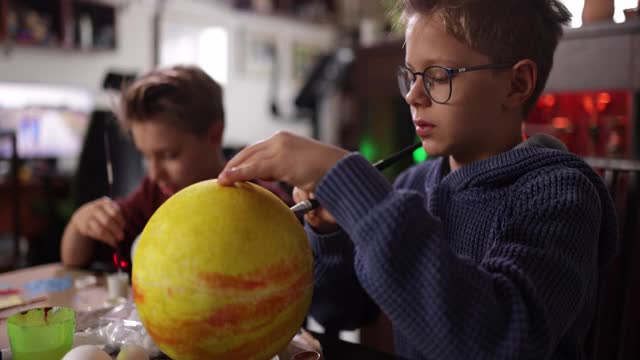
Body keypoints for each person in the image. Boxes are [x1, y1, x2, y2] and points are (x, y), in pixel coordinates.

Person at [217, 1, 617, 359]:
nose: (413, 96)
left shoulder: (559, 194)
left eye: (439, 75)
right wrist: (330, 234)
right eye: (410, 75)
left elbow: (501, 340)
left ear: (517, 84)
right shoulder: (415, 184)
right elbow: (342, 312)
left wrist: (353, 186)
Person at [61, 65, 292, 268]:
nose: (155, 173)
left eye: (169, 155)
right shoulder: (153, 194)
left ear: (214, 135)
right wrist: (80, 224)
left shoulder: (259, 201)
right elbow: (74, 259)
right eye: (145, 157)